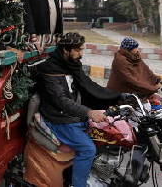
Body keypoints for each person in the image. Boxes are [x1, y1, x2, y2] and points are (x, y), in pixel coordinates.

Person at [34, 32, 118, 187]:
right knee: (88, 149)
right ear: (66, 50)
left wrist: (117, 98)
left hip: (73, 115)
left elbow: (89, 86)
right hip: (58, 118)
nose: (81, 54)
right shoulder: (50, 70)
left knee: (107, 134)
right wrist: (89, 112)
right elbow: (61, 101)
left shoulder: (71, 64)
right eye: (78, 50)